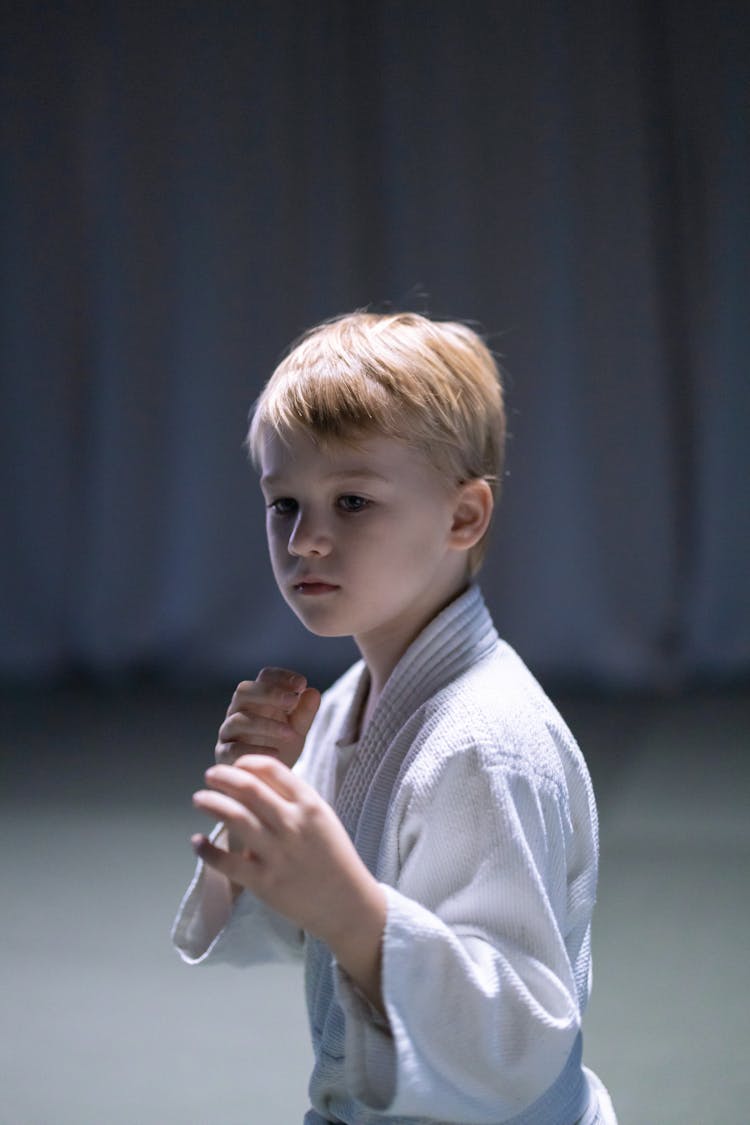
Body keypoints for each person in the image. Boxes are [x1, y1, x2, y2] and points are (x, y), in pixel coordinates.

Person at [172, 311, 617, 1125]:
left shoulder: (488, 742)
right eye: (283, 504)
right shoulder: (347, 702)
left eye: (351, 500)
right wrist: (255, 814)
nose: (306, 538)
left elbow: (519, 1039)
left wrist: (351, 909)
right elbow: (286, 916)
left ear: (462, 517)